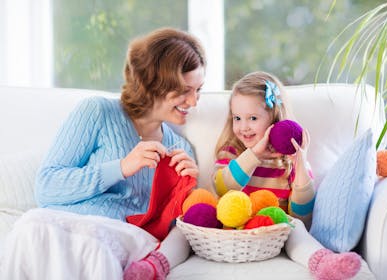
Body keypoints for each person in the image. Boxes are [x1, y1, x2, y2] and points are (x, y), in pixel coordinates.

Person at [0, 27, 206, 280]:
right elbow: (46, 187)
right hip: (56, 226)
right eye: (185, 90)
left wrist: (188, 194)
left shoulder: (180, 152)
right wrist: (121, 167)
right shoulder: (97, 112)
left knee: (92, 248)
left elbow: (174, 229)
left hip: (112, 238)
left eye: (199, 90)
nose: (194, 102)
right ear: (154, 83)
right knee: (31, 230)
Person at [212, 71, 361, 280]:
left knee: (297, 226)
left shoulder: (288, 162)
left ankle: (323, 262)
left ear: (274, 119)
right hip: (237, 232)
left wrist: (300, 164)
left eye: (252, 118)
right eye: (237, 118)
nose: (243, 127)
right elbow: (224, 188)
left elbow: (303, 215)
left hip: (275, 235)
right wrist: (254, 155)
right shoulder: (233, 153)